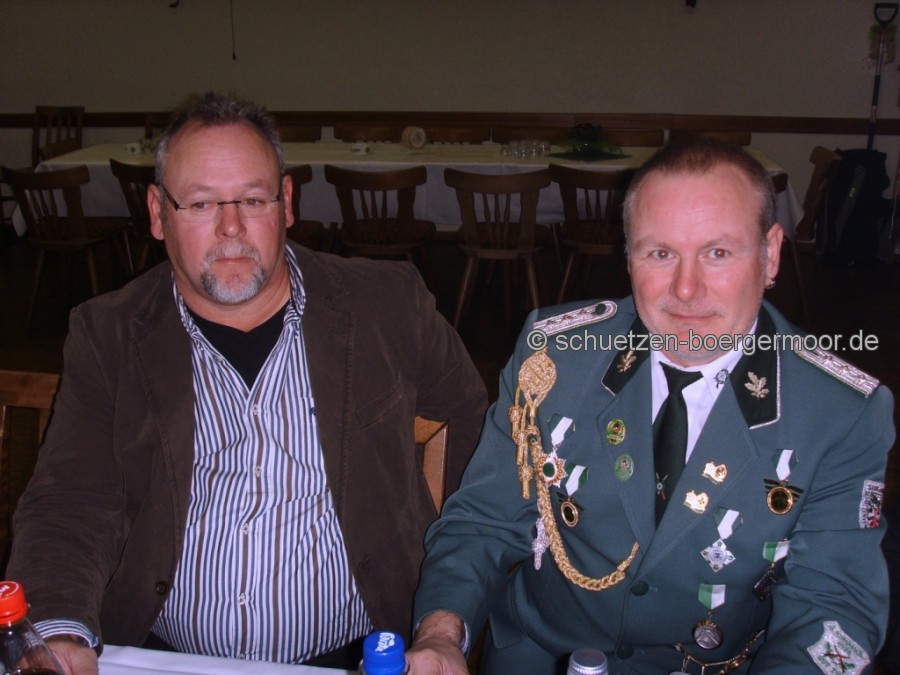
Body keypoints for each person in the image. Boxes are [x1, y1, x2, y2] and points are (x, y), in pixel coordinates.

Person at [6, 92, 487, 674]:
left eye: (252, 199)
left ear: (286, 202)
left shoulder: (386, 307)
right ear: (158, 213)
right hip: (164, 656)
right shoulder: (108, 334)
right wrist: (58, 633)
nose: (230, 227)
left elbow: (478, 439)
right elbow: (69, 500)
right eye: (200, 203)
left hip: (356, 656)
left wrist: (444, 608)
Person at [407, 138, 894, 674]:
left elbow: (835, 603)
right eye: (660, 253)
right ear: (629, 256)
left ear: (771, 254)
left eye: (717, 253)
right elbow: (484, 520)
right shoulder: (554, 355)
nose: (685, 289)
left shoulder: (840, 411)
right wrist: (442, 633)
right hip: (542, 655)